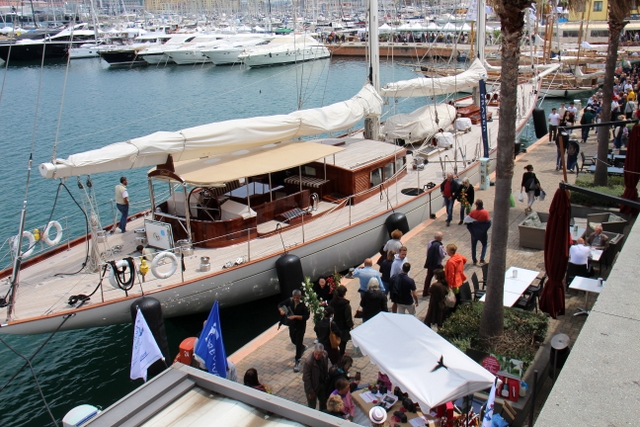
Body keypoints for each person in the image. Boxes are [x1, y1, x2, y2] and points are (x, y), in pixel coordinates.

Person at [277, 289, 310, 372]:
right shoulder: (290, 300)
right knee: (293, 340)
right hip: (292, 325)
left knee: (298, 343)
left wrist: (295, 317)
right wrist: (281, 310)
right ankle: (302, 347)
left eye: (297, 298)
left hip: (300, 326)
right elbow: (280, 304)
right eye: (294, 297)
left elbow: (306, 316)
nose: (295, 299)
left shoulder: (304, 304)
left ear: (300, 297)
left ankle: (297, 360)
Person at [302, 343, 329, 411]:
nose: (317, 356)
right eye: (315, 354)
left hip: (322, 384)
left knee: (323, 402)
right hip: (312, 387)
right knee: (312, 406)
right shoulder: (309, 362)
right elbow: (306, 378)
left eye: (319, 354)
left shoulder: (325, 355)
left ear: (322, 352)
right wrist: (311, 392)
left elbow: (326, 367)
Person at [329, 285, 354, 356]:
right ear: (344, 293)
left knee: (336, 340)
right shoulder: (346, 304)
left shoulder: (332, 302)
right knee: (343, 342)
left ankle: (338, 354)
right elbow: (348, 317)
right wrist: (351, 325)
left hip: (335, 325)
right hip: (344, 327)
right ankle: (341, 354)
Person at [465, 199, 492, 265]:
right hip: (483, 233)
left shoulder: (473, 212)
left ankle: (474, 259)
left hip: (474, 233)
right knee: (484, 245)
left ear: (476, 205)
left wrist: (471, 229)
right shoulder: (485, 212)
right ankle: (482, 259)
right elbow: (488, 223)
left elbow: (466, 221)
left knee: (473, 246)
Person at [422, 231, 446, 297]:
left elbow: (427, 252)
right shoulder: (440, 246)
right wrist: (444, 252)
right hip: (437, 264)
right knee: (441, 278)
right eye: (441, 237)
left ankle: (425, 291)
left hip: (430, 263)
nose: (442, 238)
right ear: (439, 238)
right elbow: (442, 255)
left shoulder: (430, 243)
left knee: (428, 277)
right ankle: (440, 291)